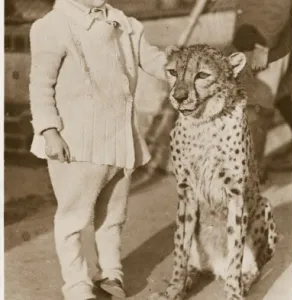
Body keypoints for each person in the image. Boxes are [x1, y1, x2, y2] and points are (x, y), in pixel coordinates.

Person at [29, 0, 166, 299]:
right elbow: (40, 85)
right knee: (74, 217)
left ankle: (110, 273)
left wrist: (181, 70)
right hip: (76, 143)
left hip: (119, 139)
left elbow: (153, 58)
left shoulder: (122, 22)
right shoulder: (53, 25)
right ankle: (77, 283)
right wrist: (49, 130)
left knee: (113, 214)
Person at [230, 0, 292, 181]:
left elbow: (278, 6)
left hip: (265, 42)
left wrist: (262, 43)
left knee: (255, 103)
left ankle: (250, 173)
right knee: (281, 94)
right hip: (256, 34)